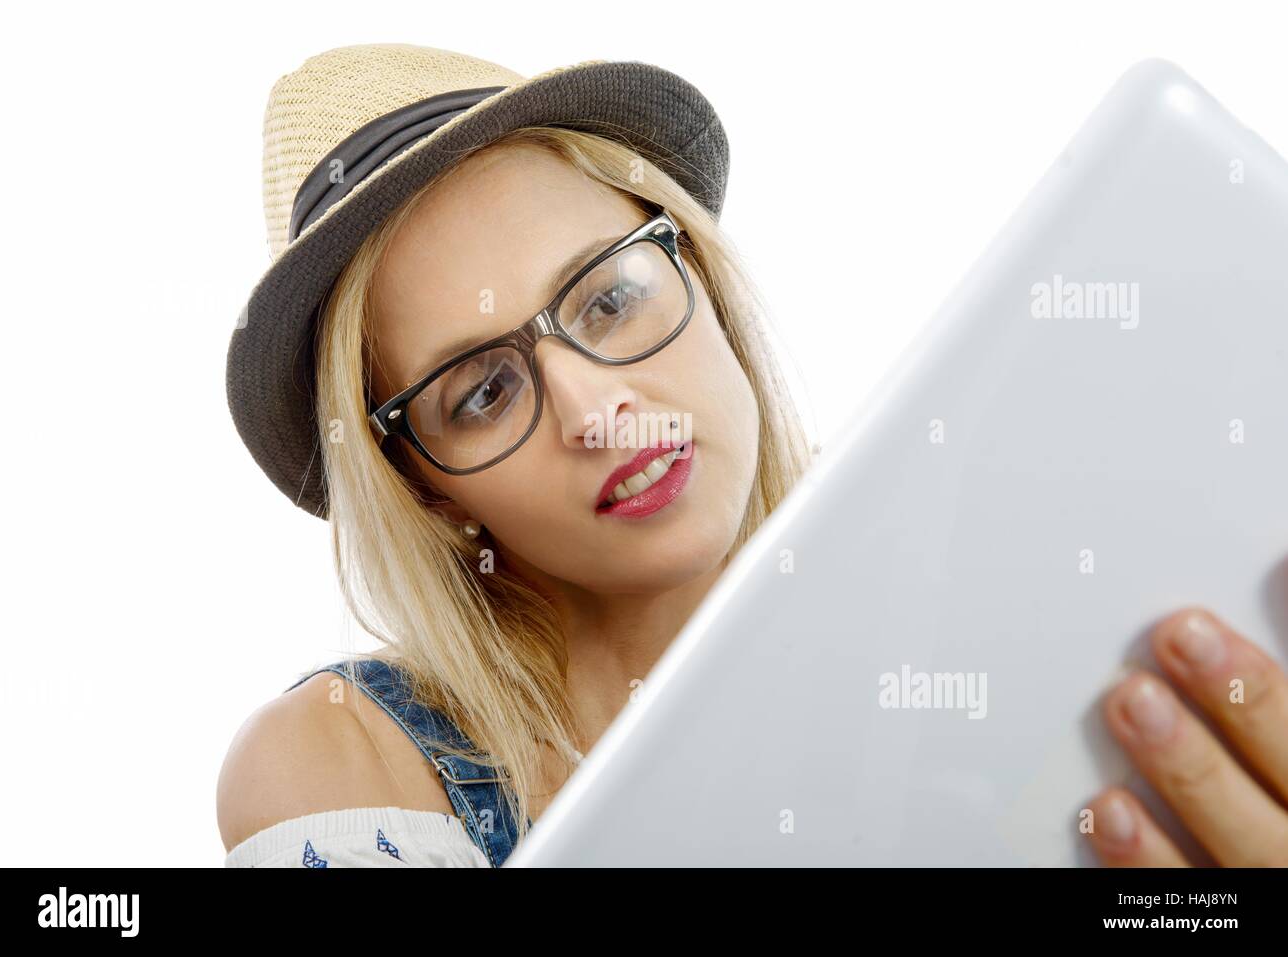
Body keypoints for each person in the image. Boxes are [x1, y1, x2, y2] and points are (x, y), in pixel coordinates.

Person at [218, 44, 1288, 868]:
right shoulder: (350, 759)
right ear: (426, 489)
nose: (597, 412)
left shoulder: (1006, 578)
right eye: (483, 391)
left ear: (706, 285)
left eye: (609, 295)